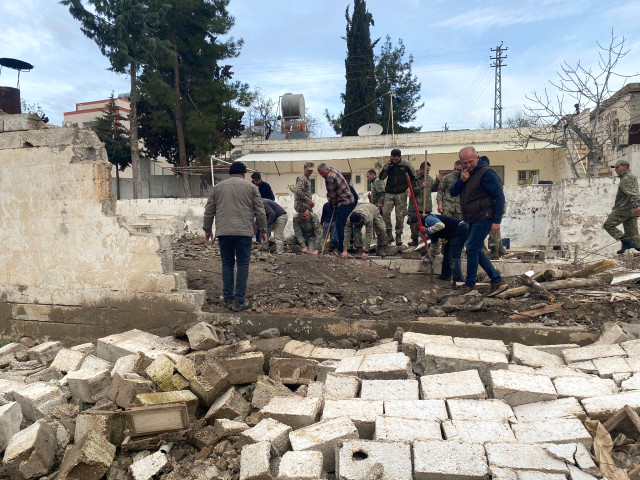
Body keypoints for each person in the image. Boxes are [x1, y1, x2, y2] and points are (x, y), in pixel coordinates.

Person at [203, 161, 267, 312]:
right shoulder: (252, 187)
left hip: (224, 232)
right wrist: (263, 230)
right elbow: (260, 210)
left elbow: (209, 210)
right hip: (243, 232)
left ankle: (227, 299)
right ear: (244, 174)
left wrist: (207, 229)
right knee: (243, 264)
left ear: (230, 173)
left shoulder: (217, 187)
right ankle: (238, 301)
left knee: (227, 264)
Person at [450, 146, 507, 295]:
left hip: (484, 216)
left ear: (477, 157)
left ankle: (470, 285)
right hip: (472, 218)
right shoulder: (464, 173)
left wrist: (497, 220)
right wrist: (461, 181)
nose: (468, 165)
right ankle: (496, 279)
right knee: (473, 248)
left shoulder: (487, 173)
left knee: (472, 249)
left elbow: (499, 197)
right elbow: (453, 192)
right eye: (464, 163)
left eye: (470, 162)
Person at [411, 213, 469, 288]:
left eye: (413, 224)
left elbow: (441, 225)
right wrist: (429, 256)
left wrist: (426, 230)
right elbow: (434, 243)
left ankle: (459, 282)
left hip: (460, 229)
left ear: (417, 222)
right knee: (447, 250)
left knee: (453, 257)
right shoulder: (430, 229)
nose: (413, 226)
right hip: (455, 233)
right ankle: (445, 275)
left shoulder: (428, 220)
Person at [379, 148, 416, 245]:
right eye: (393, 159)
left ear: (400, 157)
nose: (394, 161)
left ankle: (398, 236)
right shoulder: (389, 164)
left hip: (401, 193)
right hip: (389, 192)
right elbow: (381, 177)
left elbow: (414, 177)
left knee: (400, 216)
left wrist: (409, 187)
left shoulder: (406, 164)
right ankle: (389, 234)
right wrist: (386, 167)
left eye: (396, 159)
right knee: (385, 212)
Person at [317, 163, 356, 255]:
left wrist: (333, 204)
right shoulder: (333, 169)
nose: (322, 176)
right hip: (350, 200)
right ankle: (348, 244)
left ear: (326, 169)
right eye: (320, 174)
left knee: (340, 225)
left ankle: (341, 249)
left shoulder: (329, 178)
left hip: (344, 202)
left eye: (323, 173)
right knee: (346, 224)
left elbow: (332, 195)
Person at [604, 158, 640, 254]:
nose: (615, 169)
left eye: (617, 167)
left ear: (625, 167)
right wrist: (617, 205)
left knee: (608, 224)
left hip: (625, 208)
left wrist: (636, 205)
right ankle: (637, 249)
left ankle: (626, 242)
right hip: (629, 209)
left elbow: (633, 193)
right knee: (632, 233)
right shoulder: (628, 177)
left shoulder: (627, 178)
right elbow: (626, 194)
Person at [408, 161, 441, 246]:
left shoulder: (429, 179)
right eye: (426, 170)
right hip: (415, 205)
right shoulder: (413, 177)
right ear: (421, 169)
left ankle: (425, 240)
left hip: (426, 206)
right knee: (413, 223)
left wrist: (437, 181)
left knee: (426, 223)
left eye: (429, 171)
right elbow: (412, 191)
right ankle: (414, 239)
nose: (428, 172)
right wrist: (421, 187)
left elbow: (434, 188)